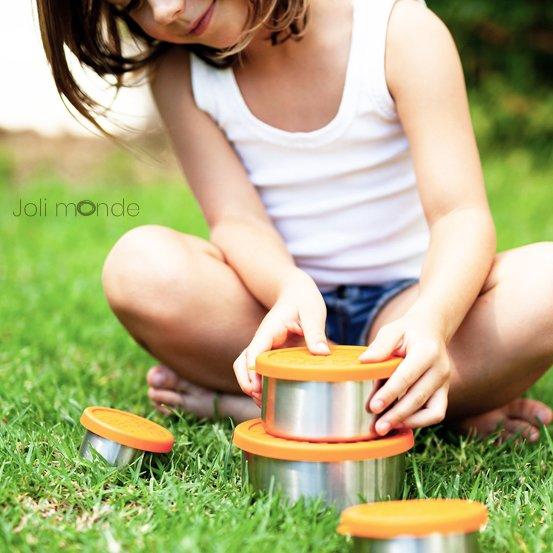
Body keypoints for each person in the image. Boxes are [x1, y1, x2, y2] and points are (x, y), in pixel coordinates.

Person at [37, 0, 553, 441]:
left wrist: (432, 324)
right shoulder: (179, 74)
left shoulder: (399, 32)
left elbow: (459, 215)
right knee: (138, 265)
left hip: (407, 306)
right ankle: (420, 406)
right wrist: (287, 289)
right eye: (134, 4)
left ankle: (270, 408)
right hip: (273, 321)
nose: (166, 10)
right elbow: (238, 222)